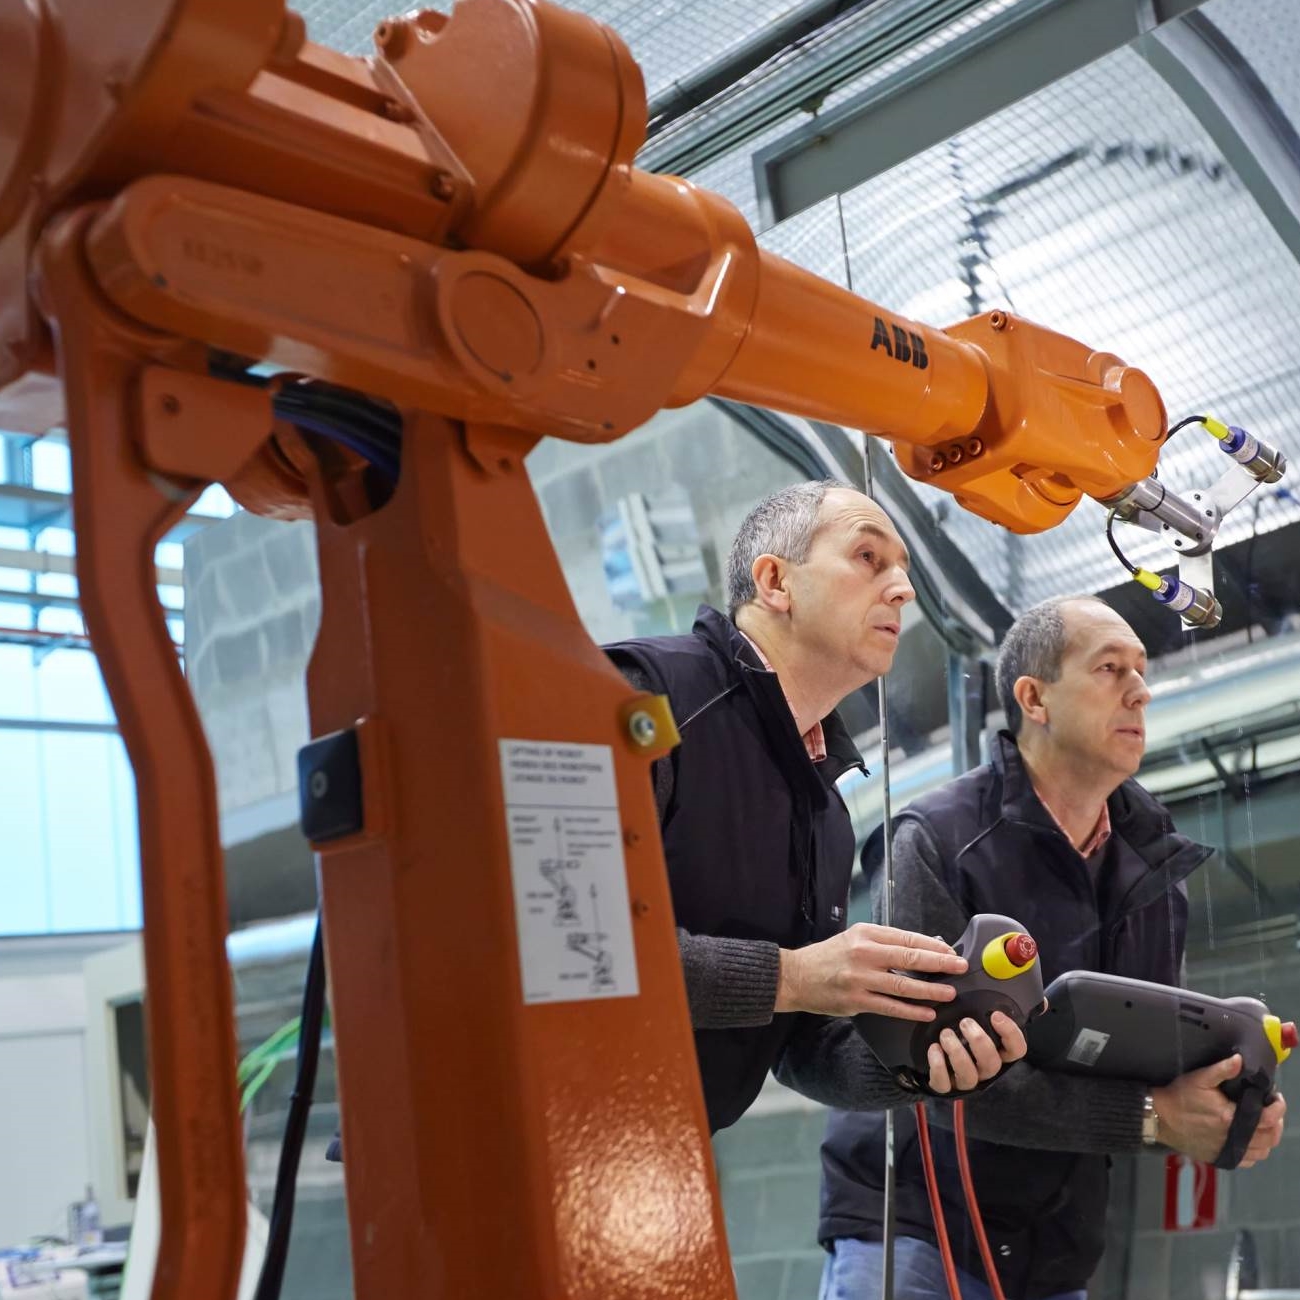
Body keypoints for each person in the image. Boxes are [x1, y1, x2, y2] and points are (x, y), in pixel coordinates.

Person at [816, 595, 1288, 1300]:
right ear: (1033, 697)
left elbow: (1147, 1065)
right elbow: (923, 1069)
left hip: (1056, 1256)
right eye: (1109, 667)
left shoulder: (1158, 877)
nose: (1141, 688)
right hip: (922, 1231)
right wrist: (1155, 1119)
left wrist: (1222, 1104)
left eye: (1141, 669)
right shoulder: (936, 840)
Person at [603, 480, 1027, 1135]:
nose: (902, 589)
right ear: (774, 581)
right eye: (868, 558)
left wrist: (919, 1058)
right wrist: (793, 974)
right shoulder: (645, 698)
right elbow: (577, 945)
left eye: (905, 571)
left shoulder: (826, 812)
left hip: (658, 1157)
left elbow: (798, 1046)